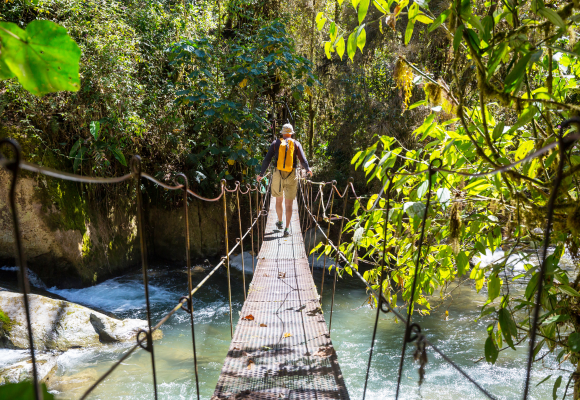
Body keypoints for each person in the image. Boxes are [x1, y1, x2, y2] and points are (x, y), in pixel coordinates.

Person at [256, 123, 313, 237]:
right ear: (291, 133)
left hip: (278, 174)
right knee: (289, 203)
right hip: (292, 174)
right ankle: (287, 228)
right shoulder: (296, 144)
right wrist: (308, 170)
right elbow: (303, 160)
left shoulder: (275, 143)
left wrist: (261, 174)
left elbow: (267, 160)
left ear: (282, 133)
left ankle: (280, 222)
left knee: (278, 200)